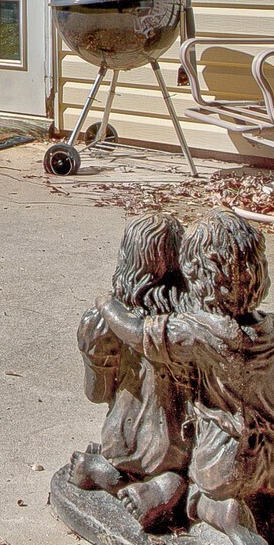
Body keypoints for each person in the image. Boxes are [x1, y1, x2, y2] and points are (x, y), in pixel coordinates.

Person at [98, 211, 274, 545]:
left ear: (197, 275)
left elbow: (135, 330)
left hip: (225, 458)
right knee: (265, 491)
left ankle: (227, 517)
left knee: (205, 492)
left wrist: (107, 306)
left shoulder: (194, 333)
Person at [69, 214, 189, 505]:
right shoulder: (192, 321)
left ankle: (111, 474)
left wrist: (90, 351)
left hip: (130, 439)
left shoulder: (106, 321)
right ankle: (167, 487)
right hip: (190, 444)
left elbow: (97, 393)